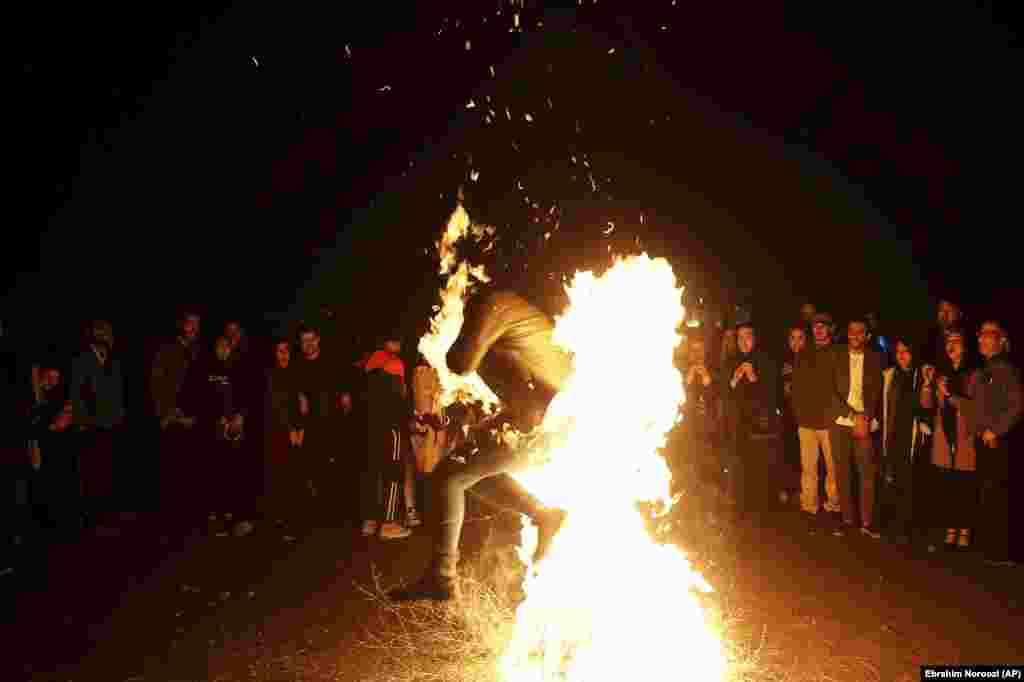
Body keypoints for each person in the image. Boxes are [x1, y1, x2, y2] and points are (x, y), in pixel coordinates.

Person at [391, 290, 571, 602]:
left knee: (449, 478)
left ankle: (442, 578)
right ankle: (543, 515)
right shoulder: (516, 311)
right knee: (469, 477)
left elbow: (460, 362)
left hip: (539, 423)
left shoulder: (490, 304)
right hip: (546, 421)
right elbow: (517, 384)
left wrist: (446, 342)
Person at [920, 328, 978, 552]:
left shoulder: (973, 375)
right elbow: (927, 405)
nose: (951, 345)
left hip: (965, 437)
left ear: (964, 346)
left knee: (965, 486)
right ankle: (950, 529)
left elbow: (975, 408)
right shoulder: (940, 375)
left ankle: (965, 530)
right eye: (948, 341)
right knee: (948, 486)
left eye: (956, 341)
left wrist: (949, 395)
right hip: (944, 436)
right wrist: (927, 384)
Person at [972, 320, 1022, 566]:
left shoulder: (1004, 368)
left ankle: (1002, 551)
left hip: (998, 442)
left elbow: (1016, 406)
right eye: (980, 334)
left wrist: (996, 431)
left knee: (999, 493)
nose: (981, 338)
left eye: (987, 334)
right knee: (989, 491)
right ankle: (991, 548)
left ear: (1001, 340)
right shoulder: (985, 369)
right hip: (984, 440)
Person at [828, 318, 883, 538]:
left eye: (860, 332)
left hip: (864, 422)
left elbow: (876, 392)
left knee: (866, 472)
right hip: (842, 420)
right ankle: (847, 520)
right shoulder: (836, 355)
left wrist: (866, 417)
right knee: (842, 472)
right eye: (851, 331)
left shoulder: (875, 358)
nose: (855, 335)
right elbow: (829, 391)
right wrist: (853, 415)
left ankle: (867, 522)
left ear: (867, 336)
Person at [358, 334, 413, 540]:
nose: (399, 345)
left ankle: (370, 522)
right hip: (391, 427)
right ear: (386, 342)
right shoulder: (394, 363)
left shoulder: (370, 362)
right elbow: (398, 398)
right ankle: (388, 523)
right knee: (393, 473)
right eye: (396, 340)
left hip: (370, 426)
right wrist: (408, 421)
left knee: (372, 472)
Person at [792, 312, 842, 532]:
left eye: (823, 326)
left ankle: (833, 506)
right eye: (815, 327)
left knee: (833, 468)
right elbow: (797, 387)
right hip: (806, 422)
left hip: (830, 423)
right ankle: (809, 506)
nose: (819, 330)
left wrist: (837, 416)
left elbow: (842, 387)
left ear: (830, 329)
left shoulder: (838, 353)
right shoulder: (803, 354)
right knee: (808, 468)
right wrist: (798, 414)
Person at [722, 322, 778, 516]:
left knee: (759, 464)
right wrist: (736, 377)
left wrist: (753, 376)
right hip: (737, 423)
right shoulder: (730, 360)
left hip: (758, 424)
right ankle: (739, 505)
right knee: (738, 463)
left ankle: (762, 506)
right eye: (740, 338)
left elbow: (770, 393)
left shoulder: (765, 360)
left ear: (754, 338)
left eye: (748, 337)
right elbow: (725, 390)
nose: (744, 342)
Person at [879, 338, 930, 544]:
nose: (901, 355)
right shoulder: (890, 375)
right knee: (893, 479)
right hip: (892, 434)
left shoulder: (921, 374)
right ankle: (893, 525)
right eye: (898, 351)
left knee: (909, 482)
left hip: (912, 435)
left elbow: (926, 406)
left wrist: (926, 383)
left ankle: (906, 527)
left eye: (906, 351)